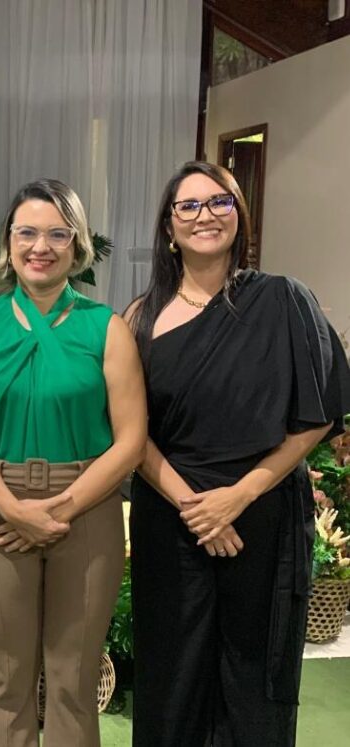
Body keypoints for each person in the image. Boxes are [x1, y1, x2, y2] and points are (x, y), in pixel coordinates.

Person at [126, 161, 350, 747]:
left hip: (263, 512)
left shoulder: (283, 299)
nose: (205, 216)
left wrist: (238, 496)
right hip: (170, 513)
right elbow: (128, 433)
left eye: (219, 202)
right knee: (171, 673)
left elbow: (319, 413)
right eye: (189, 206)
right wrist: (195, 507)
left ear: (239, 215)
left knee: (253, 671)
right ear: (168, 228)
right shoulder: (137, 318)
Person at [0, 178, 146, 747]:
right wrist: (12, 508)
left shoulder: (106, 328)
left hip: (88, 510)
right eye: (27, 232)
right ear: (8, 244)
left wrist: (60, 507)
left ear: (78, 246)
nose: (42, 246)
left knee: (73, 677)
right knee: (7, 678)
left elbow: (130, 441)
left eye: (59, 234)